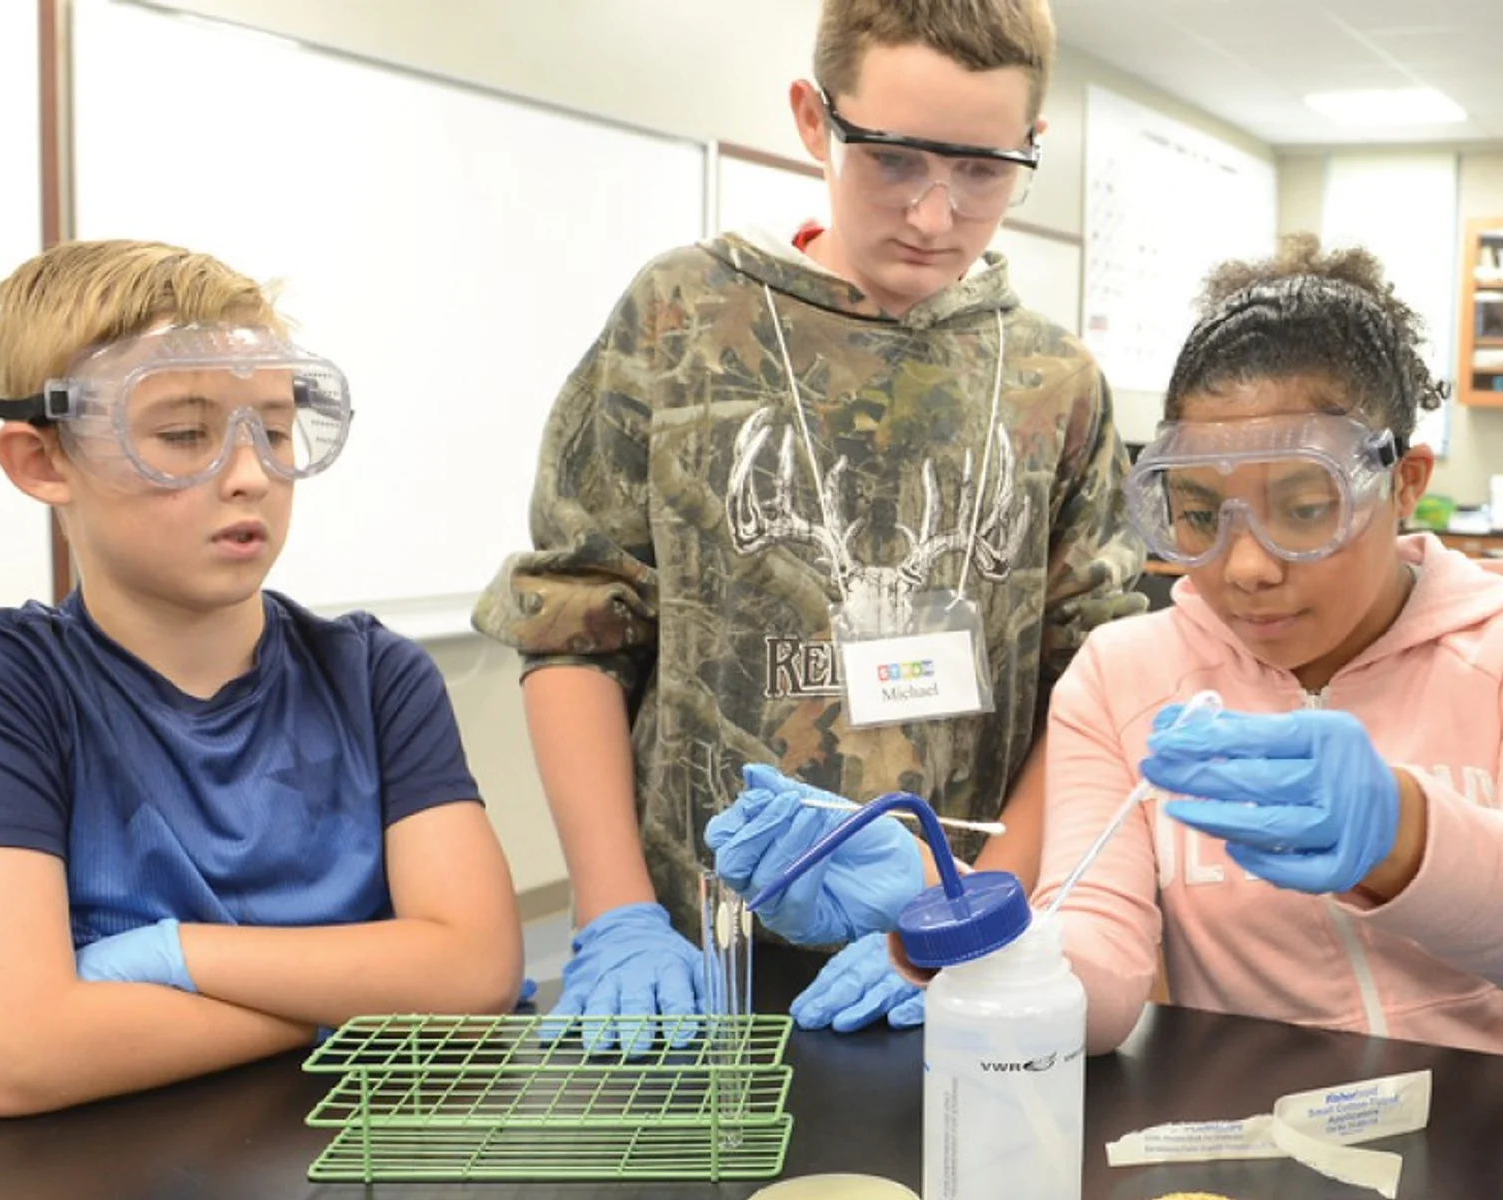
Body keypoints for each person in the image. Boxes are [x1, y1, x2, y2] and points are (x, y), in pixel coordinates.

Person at [472, 0, 1145, 1045]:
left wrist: (963, 928)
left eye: (981, 170)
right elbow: (574, 628)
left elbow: (1092, 688)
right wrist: (613, 911)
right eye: (893, 159)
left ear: (1031, 148)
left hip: (944, 960)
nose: (933, 213)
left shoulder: (1055, 381)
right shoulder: (684, 316)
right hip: (696, 953)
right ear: (811, 117)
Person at [712, 234, 1503, 1055]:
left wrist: (1405, 834)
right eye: (1200, 513)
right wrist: (941, 922)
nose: (1246, 567)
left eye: (1304, 507)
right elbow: (1098, 974)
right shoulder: (1125, 675)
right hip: (1250, 1144)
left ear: (1404, 483)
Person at [0, 239, 524, 1116]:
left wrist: (169, 958)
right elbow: (19, 1053)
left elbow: (474, 971)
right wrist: (365, 1000)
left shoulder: (374, 676)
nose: (249, 475)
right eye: (181, 435)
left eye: (274, 431)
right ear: (44, 461)